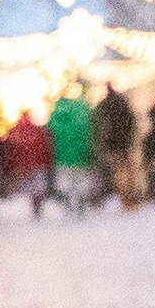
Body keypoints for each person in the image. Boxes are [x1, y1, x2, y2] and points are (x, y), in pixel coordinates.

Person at [47, 85, 99, 214]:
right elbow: (92, 133)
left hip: (62, 156)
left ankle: (69, 203)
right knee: (81, 180)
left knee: (65, 181)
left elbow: (50, 131)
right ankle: (80, 202)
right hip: (82, 155)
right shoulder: (83, 111)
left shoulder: (58, 112)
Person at [95, 85, 142, 208]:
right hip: (125, 143)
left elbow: (99, 126)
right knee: (129, 171)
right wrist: (131, 138)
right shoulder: (123, 103)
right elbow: (132, 122)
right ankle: (131, 197)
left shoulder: (104, 106)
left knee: (118, 173)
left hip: (112, 144)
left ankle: (124, 197)